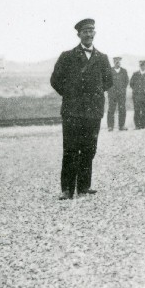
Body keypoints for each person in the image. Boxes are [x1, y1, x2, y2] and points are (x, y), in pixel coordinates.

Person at [50, 19, 113, 199]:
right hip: (72, 111)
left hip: (93, 112)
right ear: (79, 34)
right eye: (85, 31)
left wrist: (94, 95)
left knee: (89, 149)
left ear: (95, 33)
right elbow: (55, 80)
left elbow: (108, 81)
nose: (88, 34)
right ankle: (67, 189)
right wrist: (70, 95)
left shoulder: (102, 58)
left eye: (91, 30)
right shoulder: (67, 56)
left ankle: (84, 187)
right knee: (70, 149)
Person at [129, 59, 145, 130]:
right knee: (137, 110)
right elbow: (131, 84)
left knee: (144, 110)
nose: (142, 67)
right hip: (136, 96)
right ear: (139, 66)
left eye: (144, 65)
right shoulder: (135, 74)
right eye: (141, 65)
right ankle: (137, 125)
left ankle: (144, 125)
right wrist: (137, 90)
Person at [106, 56, 130, 131]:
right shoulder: (109, 71)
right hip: (112, 94)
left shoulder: (124, 71)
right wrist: (110, 90)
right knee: (111, 110)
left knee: (122, 109)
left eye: (118, 61)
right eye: (116, 62)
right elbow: (106, 82)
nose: (117, 63)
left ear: (120, 62)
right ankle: (110, 126)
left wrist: (122, 89)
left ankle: (121, 126)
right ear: (113, 62)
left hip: (121, 94)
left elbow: (126, 81)